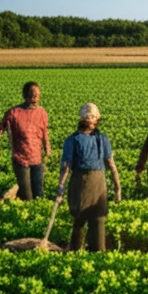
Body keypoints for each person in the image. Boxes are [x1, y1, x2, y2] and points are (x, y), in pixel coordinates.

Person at [56, 103, 122, 252]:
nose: (92, 122)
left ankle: (95, 251)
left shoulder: (102, 139)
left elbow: (111, 163)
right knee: (80, 218)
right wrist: (61, 185)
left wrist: (118, 187)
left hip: (97, 183)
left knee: (97, 219)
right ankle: (76, 250)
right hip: (81, 181)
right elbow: (66, 166)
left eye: (93, 119)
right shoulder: (73, 140)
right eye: (90, 119)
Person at [0, 81, 50, 200]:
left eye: (37, 94)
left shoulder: (42, 112)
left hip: (37, 159)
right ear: (25, 95)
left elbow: (44, 132)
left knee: (39, 194)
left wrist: (47, 149)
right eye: (33, 94)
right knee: (27, 196)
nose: (36, 97)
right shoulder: (13, 113)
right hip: (21, 160)